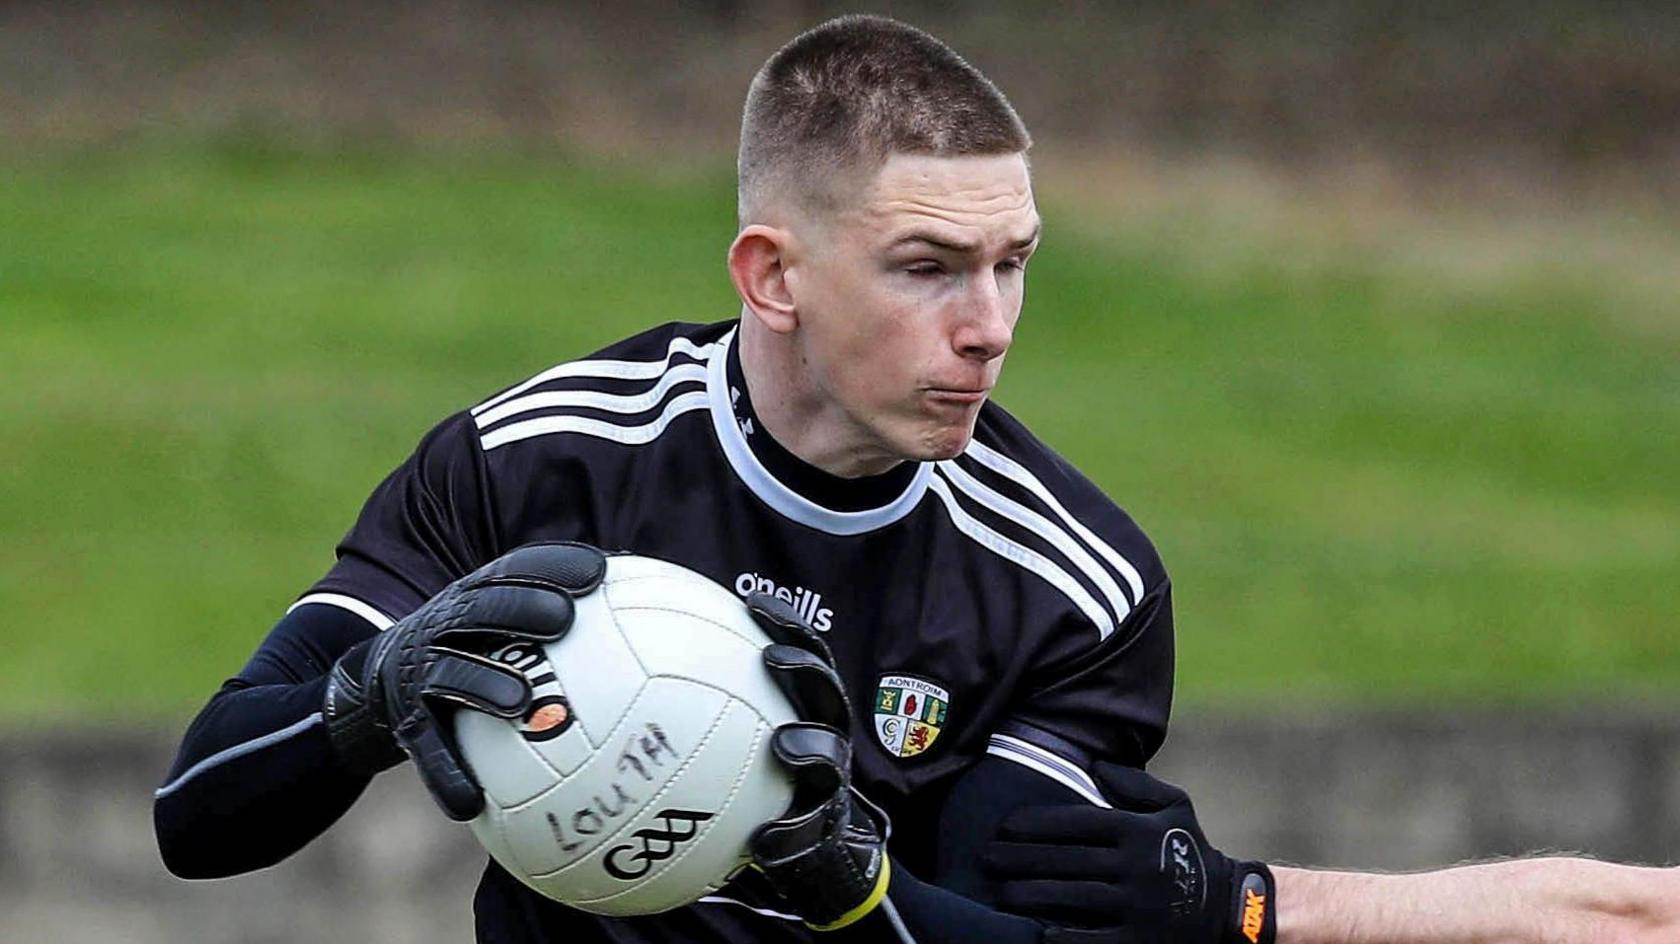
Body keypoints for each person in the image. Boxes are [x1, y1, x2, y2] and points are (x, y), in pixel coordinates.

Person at [152, 14, 1680, 944]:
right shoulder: (538, 460)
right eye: (930, 267)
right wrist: (367, 698)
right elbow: (199, 814)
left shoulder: (1071, 581)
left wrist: (838, 883)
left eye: (1016, 264)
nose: (991, 327)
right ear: (774, 275)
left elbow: (1037, 933)